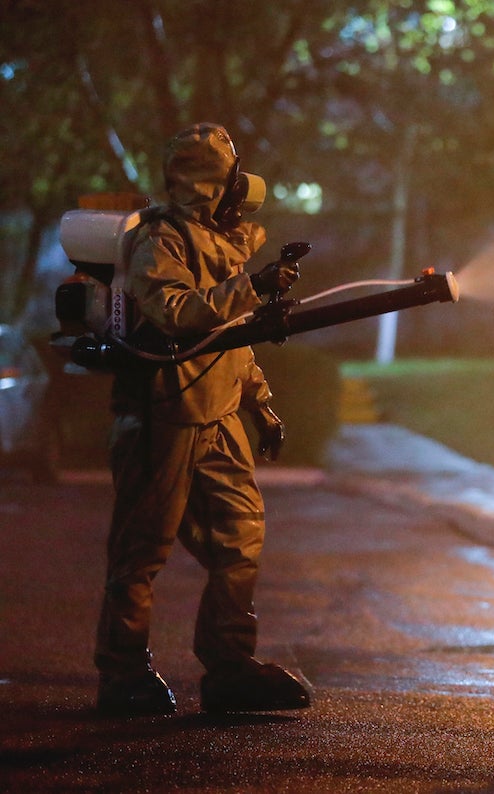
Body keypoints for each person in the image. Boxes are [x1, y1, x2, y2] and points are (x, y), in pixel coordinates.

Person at [95, 122, 312, 716]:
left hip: (216, 414)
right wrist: (253, 287)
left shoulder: (221, 244)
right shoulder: (162, 240)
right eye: (232, 173)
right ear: (213, 183)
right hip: (164, 413)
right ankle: (122, 675)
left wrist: (259, 404)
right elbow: (174, 313)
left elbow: (231, 341)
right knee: (142, 548)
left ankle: (230, 666)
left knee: (240, 539)